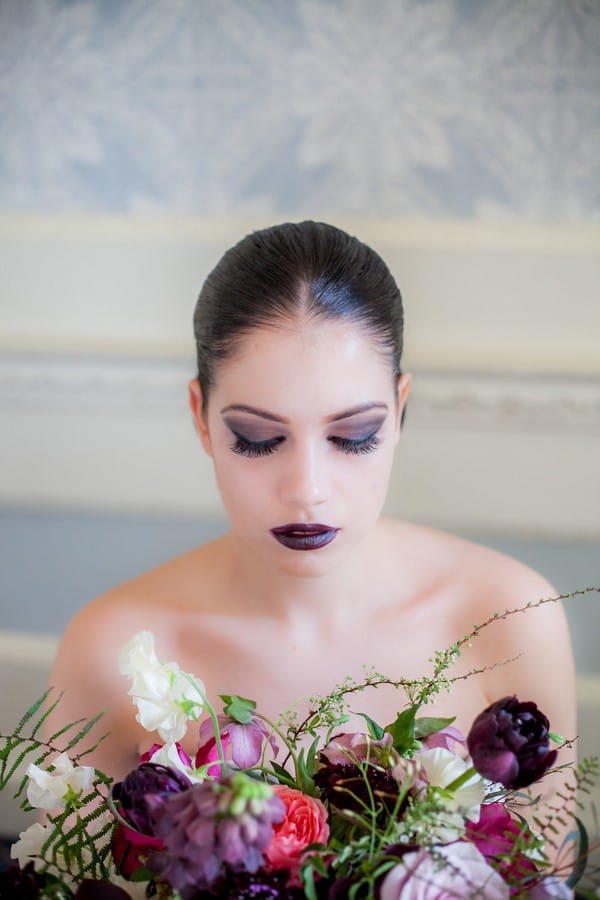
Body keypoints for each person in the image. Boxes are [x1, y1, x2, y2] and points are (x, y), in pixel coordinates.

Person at [50, 221, 575, 797]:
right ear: (201, 417)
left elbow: (541, 879)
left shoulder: (511, 617)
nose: (307, 490)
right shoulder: (111, 648)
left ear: (398, 412)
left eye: (352, 436)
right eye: (257, 438)